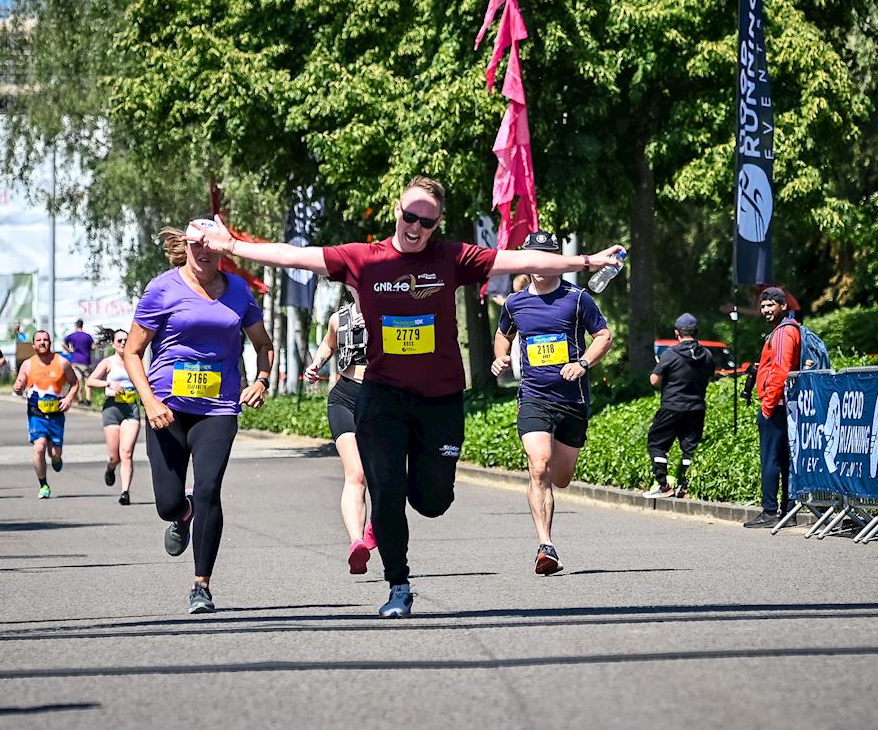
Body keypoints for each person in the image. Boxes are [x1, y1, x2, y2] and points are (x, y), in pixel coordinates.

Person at [189, 175, 625, 618]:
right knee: (386, 489)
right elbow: (292, 255)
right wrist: (233, 246)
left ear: (437, 225)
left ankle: (422, 496)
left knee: (432, 501)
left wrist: (588, 261)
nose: (415, 227)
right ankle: (398, 585)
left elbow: (519, 259)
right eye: (409, 216)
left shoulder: (452, 257)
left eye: (427, 222)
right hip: (382, 395)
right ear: (397, 211)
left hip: (440, 399)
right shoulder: (364, 258)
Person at [123, 222, 275, 614]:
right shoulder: (162, 288)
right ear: (186, 247)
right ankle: (181, 514)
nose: (203, 253)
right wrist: (150, 401)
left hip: (218, 407)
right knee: (167, 503)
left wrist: (260, 380)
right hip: (167, 408)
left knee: (209, 488)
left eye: (210, 246)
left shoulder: (239, 291)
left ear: (221, 249)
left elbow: (262, 344)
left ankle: (201, 585)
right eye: (196, 246)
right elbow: (132, 352)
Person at [490, 230, 612, 575]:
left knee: (561, 477)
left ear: (557, 261)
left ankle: (548, 535)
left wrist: (583, 363)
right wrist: (500, 357)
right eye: (534, 257)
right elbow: (503, 335)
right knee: (539, 465)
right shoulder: (515, 303)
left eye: (547, 256)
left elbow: (604, 336)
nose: (540, 264)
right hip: (534, 397)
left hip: (572, 400)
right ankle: (546, 545)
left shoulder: (577, 299)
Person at [302, 293, 377, 574]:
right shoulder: (339, 318)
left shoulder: (393, 312)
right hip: (344, 397)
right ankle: (356, 542)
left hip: (381, 398)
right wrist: (316, 363)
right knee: (355, 474)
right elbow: (328, 343)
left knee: (382, 474)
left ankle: (377, 523)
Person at [644, 313, 715, 499]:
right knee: (689, 448)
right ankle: (685, 486)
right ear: (696, 332)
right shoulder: (707, 355)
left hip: (672, 406)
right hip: (697, 407)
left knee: (657, 443)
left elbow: (654, 380)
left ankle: (663, 485)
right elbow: (710, 376)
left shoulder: (671, 354)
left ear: (677, 333)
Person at [744, 287, 799, 529]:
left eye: (771, 305)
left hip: (776, 405)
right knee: (785, 460)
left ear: (783, 306)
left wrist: (767, 405)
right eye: (763, 305)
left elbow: (780, 370)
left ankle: (769, 511)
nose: (766, 310)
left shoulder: (783, 333)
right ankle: (788, 511)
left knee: (771, 460)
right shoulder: (787, 331)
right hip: (784, 405)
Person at [12, 330, 77, 499]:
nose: (42, 343)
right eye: (39, 340)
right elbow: (18, 387)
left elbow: (75, 383)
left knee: (55, 454)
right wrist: (17, 389)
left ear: (50, 343)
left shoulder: (62, 362)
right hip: (36, 414)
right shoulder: (27, 364)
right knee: (39, 447)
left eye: (46, 340)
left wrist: (69, 398)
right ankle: (43, 485)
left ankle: (56, 459)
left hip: (56, 414)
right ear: (33, 345)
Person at [87, 329, 141, 505]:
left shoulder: (135, 360)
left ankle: (125, 492)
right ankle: (110, 468)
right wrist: (109, 383)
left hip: (131, 409)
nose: (123, 343)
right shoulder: (108, 362)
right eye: (119, 340)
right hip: (112, 408)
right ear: (113, 343)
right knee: (114, 456)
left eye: (126, 340)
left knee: (126, 452)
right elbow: (90, 381)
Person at [64, 319, 95, 404]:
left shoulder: (72, 336)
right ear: (82, 325)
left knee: (79, 381)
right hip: (87, 361)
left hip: (76, 360)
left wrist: (69, 350)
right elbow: (93, 347)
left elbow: (63, 343)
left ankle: (80, 400)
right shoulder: (88, 336)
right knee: (88, 381)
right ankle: (88, 400)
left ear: (76, 326)